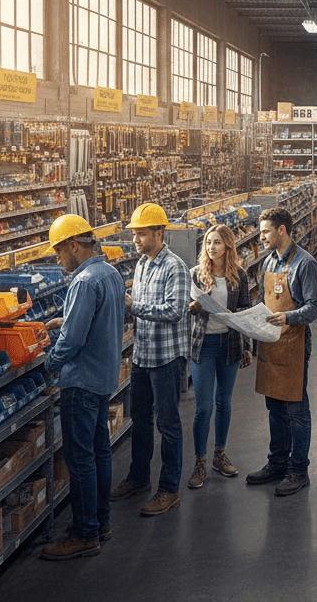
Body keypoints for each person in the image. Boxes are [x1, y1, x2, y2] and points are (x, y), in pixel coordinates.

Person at [41, 214, 125, 560]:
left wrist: (49, 363)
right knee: (100, 451)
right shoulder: (111, 274)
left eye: (59, 252)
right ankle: (100, 522)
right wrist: (69, 317)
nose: (58, 259)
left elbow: (72, 340)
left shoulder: (83, 281)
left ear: (74, 246)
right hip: (104, 376)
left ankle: (85, 533)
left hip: (81, 381)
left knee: (80, 461)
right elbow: (101, 318)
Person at [108, 204, 190, 517]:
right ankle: (139, 477)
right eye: (134, 233)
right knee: (139, 421)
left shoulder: (175, 267)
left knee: (168, 424)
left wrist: (135, 306)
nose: (135, 239)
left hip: (167, 359)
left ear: (159, 233)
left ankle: (169, 489)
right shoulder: (142, 264)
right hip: (142, 355)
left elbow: (175, 311)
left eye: (141, 233)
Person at [246, 206, 317, 496]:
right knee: (274, 408)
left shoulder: (305, 263)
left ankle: (298, 470)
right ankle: (277, 462)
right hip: (270, 343)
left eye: (265, 231)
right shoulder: (268, 263)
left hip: (293, 344)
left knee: (296, 409)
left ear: (282, 230)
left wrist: (288, 317)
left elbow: (315, 307)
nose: (260, 236)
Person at [186, 223, 254, 489]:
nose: (211, 247)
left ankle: (219, 454)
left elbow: (245, 311)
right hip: (203, 345)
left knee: (224, 402)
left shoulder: (239, 275)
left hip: (230, 344)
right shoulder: (196, 274)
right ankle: (199, 461)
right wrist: (193, 308)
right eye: (208, 242)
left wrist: (247, 346)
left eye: (217, 243)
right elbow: (185, 307)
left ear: (228, 246)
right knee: (203, 408)